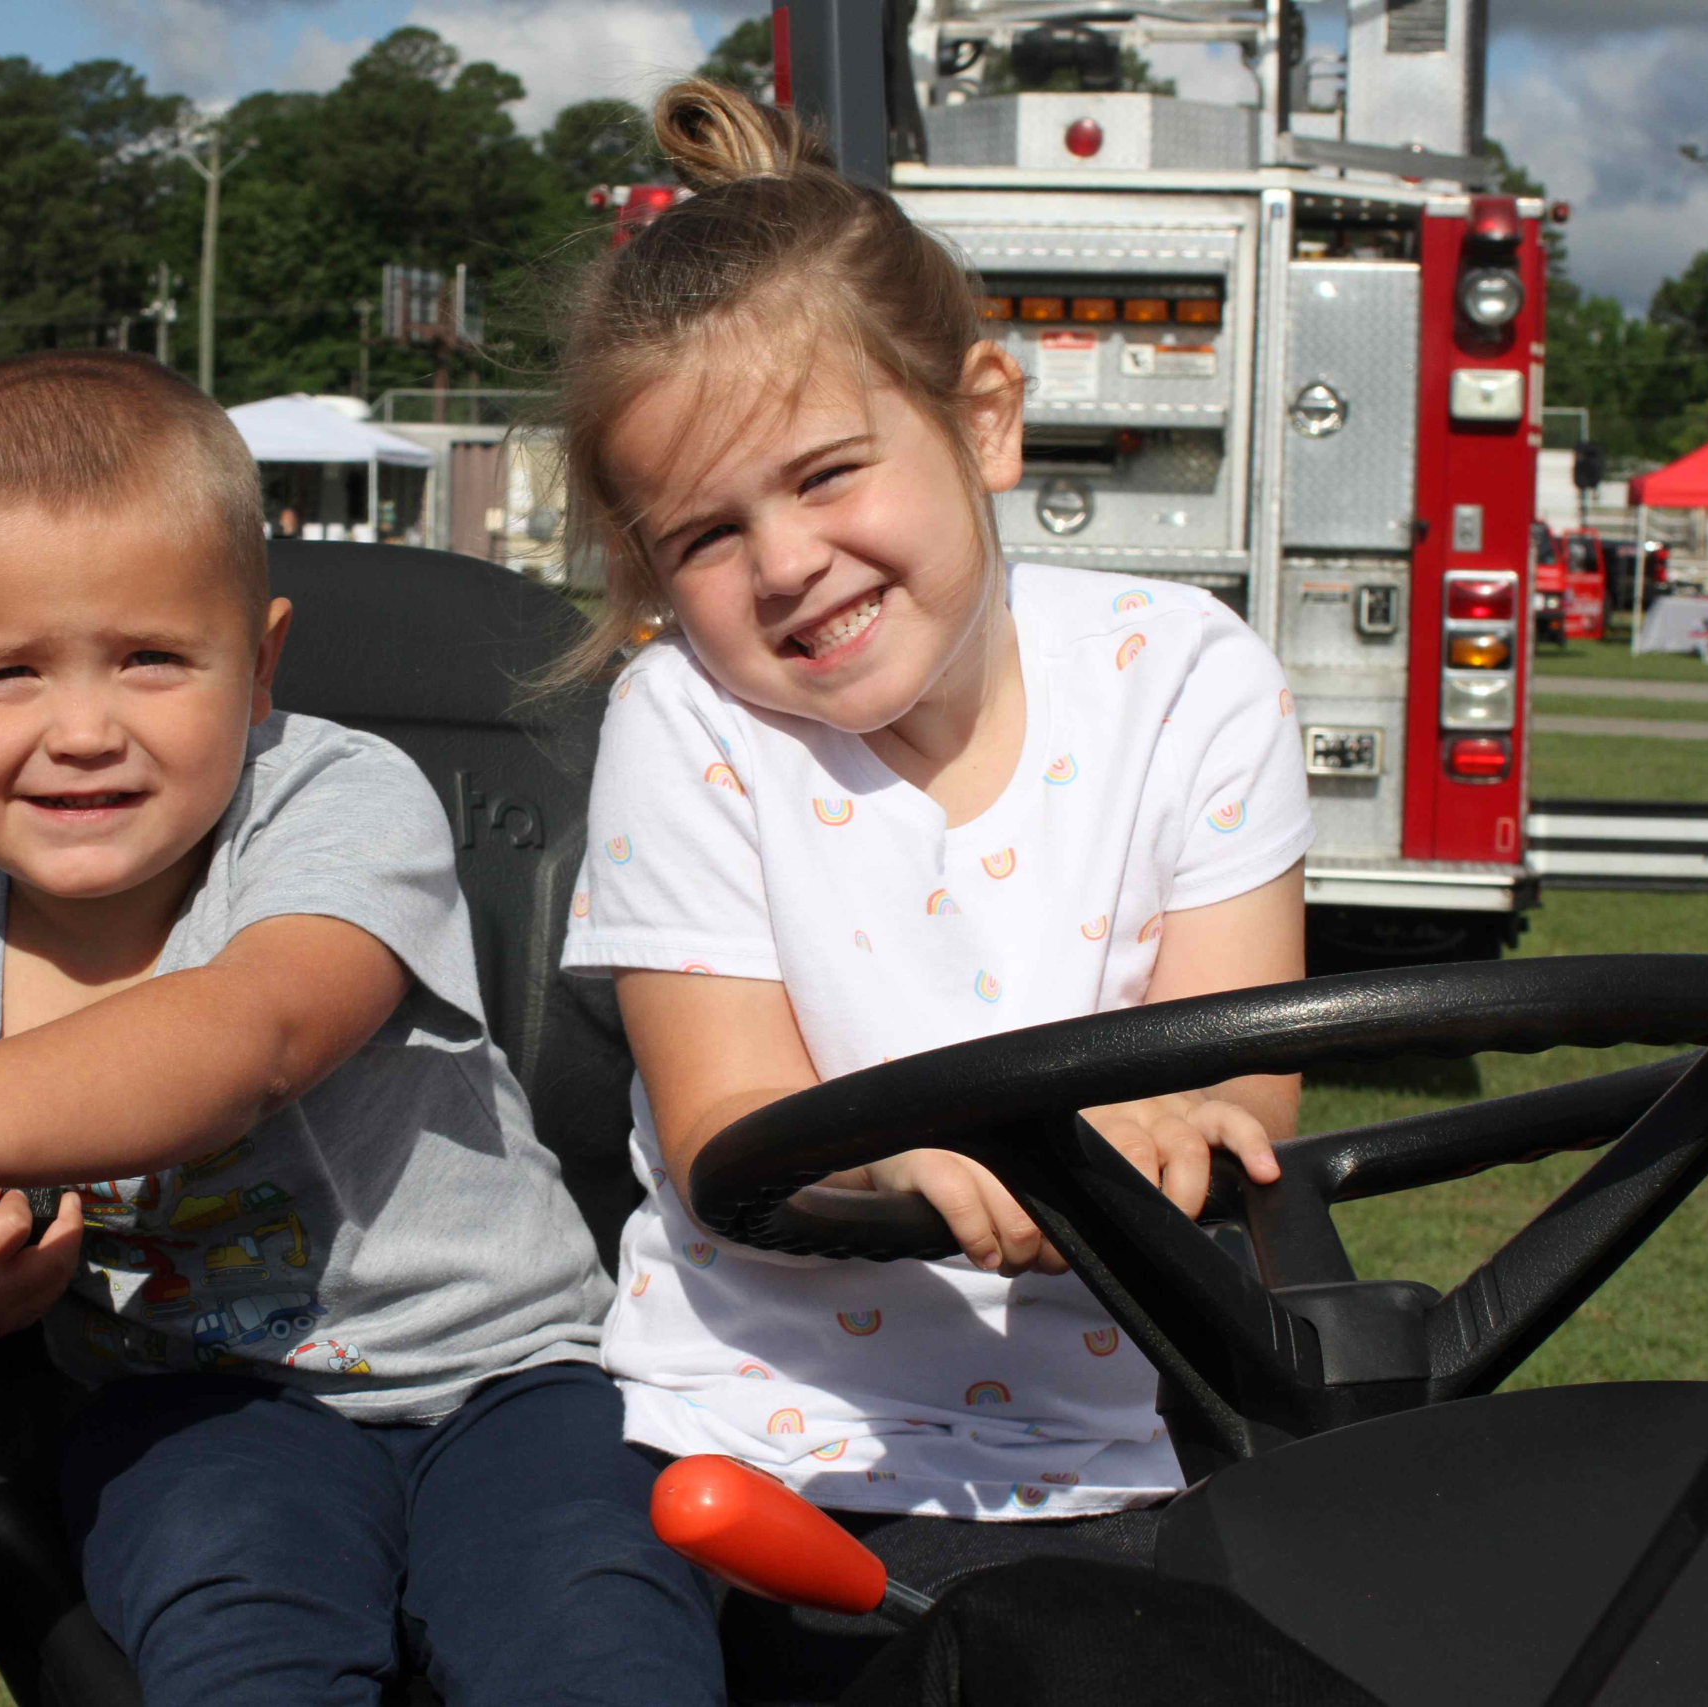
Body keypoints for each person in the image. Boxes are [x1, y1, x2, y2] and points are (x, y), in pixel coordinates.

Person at [0, 351, 723, 1707]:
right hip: (201, 1417)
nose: (84, 729)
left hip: (515, 1382)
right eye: (6, 671)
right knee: (234, 1629)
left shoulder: (333, 802)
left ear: (260, 665)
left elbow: (255, 1033)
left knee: (598, 1636)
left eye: (150, 659)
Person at [548, 83, 1313, 1691]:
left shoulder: (1184, 678)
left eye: (827, 472)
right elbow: (721, 1129)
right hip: (765, 1435)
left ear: (982, 418)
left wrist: (1177, 1124)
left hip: (1147, 1420)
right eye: (705, 534)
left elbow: (1241, 1064)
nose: (783, 564)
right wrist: (896, 1137)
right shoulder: (685, 723)